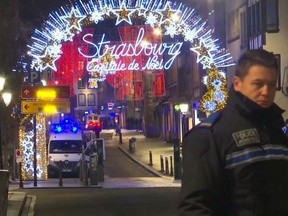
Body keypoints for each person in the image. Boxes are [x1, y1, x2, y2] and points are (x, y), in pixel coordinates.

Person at [178, 49, 288, 216]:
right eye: (258, 84)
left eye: (271, 84)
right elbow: (195, 207)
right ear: (237, 83)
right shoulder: (210, 134)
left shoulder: (277, 131)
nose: (266, 92)